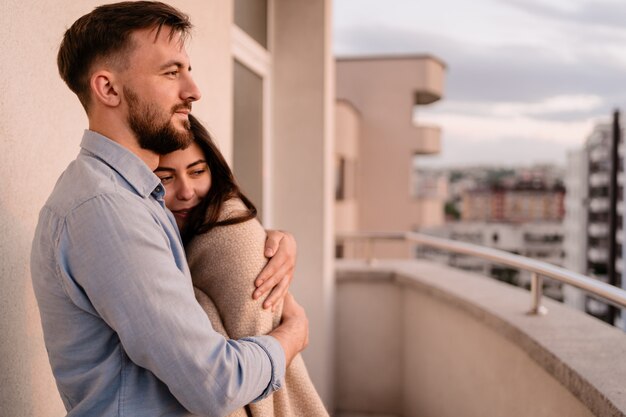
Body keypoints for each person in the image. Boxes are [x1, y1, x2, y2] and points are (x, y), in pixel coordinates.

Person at [30, 2, 309, 416]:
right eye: (171, 72)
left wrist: (274, 240)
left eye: (188, 70)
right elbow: (215, 383)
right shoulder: (106, 209)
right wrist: (294, 335)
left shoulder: (134, 197)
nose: (193, 91)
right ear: (108, 89)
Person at [155, 115, 329, 417]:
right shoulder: (155, 246)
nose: (186, 191)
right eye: (165, 178)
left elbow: (259, 335)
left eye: (197, 171)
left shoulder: (229, 230)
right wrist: (296, 329)